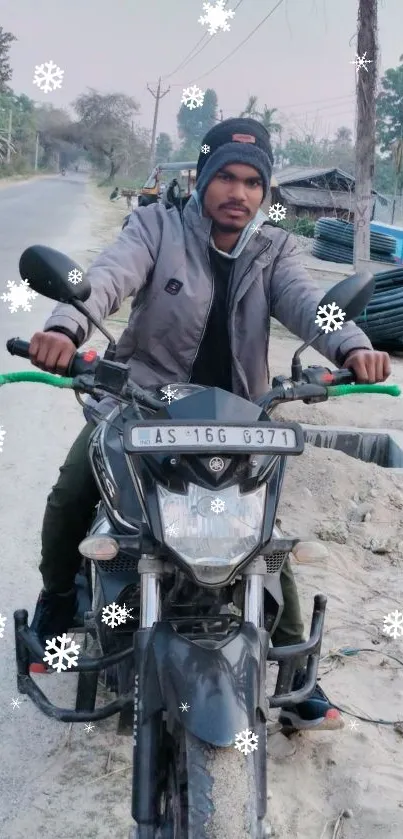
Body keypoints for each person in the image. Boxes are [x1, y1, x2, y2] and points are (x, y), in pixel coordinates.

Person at [27, 118, 391, 730]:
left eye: (253, 182)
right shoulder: (155, 227)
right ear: (201, 176)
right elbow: (110, 276)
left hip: (238, 419)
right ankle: (58, 604)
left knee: (265, 537)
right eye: (226, 175)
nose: (239, 192)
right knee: (72, 490)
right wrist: (65, 329)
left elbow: (311, 304)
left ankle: (297, 679)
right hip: (142, 403)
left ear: (265, 193)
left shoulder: (276, 250)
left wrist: (354, 346)